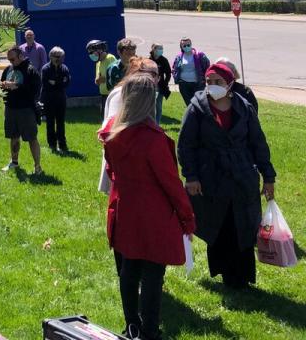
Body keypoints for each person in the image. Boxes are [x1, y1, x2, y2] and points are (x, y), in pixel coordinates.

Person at [99, 73, 196, 340]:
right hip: (153, 214)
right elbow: (171, 183)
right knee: (153, 276)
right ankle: (149, 331)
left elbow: (111, 169)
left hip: (125, 209)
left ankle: (131, 324)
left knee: (128, 271)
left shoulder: (113, 134)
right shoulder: (153, 139)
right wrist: (187, 217)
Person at [178, 62, 275, 290]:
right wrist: (191, 176)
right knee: (219, 223)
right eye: (209, 82)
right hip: (212, 177)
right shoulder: (196, 109)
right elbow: (186, 145)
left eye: (218, 82)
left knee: (243, 224)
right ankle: (224, 274)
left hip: (242, 177)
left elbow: (258, 143)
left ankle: (243, 276)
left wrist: (268, 176)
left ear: (230, 84)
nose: (212, 86)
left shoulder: (244, 108)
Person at [98, 57, 157, 193]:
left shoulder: (147, 92)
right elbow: (111, 127)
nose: (156, 79)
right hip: (124, 157)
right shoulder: (121, 94)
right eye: (152, 74)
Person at [0, 46, 43, 175]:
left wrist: (16, 86)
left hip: (26, 110)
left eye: (12, 59)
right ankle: (14, 162)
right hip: (11, 108)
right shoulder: (8, 69)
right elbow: (2, 83)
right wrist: (4, 85)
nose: (10, 62)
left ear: (20, 56)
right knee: (13, 136)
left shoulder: (30, 70)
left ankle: (37, 166)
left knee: (31, 138)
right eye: (9, 60)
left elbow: (35, 91)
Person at [40, 46, 70, 153]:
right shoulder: (45, 69)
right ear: (51, 57)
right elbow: (47, 85)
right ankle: (52, 144)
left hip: (61, 99)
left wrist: (56, 82)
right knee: (50, 122)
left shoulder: (64, 68)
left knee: (61, 123)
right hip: (49, 100)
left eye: (61, 57)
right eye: (57, 56)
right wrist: (60, 82)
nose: (59, 59)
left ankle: (62, 144)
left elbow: (67, 83)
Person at [172, 37, 210, 105]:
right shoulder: (179, 57)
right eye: (184, 46)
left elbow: (207, 66)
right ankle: (192, 115)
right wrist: (176, 77)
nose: (187, 47)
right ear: (181, 47)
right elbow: (174, 68)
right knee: (189, 104)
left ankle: (199, 115)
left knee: (199, 103)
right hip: (184, 84)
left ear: (191, 45)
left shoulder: (199, 55)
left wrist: (205, 79)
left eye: (188, 45)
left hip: (198, 84)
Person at [87, 39, 117, 115]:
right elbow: (97, 80)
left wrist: (102, 79)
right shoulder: (98, 63)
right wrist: (98, 80)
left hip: (112, 95)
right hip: (103, 95)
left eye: (92, 52)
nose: (91, 54)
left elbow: (115, 75)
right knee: (104, 116)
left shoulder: (110, 58)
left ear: (100, 50)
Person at [149, 43, 171, 122]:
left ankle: (157, 124)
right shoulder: (148, 60)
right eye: (159, 48)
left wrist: (165, 83)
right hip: (150, 86)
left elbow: (168, 73)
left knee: (158, 106)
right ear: (153, 49)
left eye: (162, 48)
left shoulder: (164, 60)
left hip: (160, 86)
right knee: (150, 106)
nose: (161, 50)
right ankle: (150, 122)